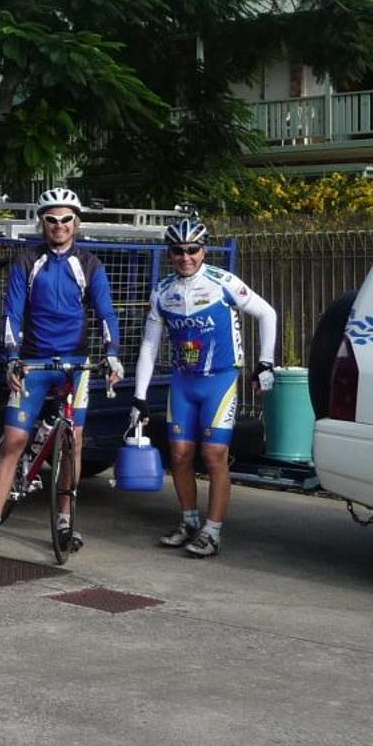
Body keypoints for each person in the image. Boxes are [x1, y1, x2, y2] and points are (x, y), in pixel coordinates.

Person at [0, 188, 123, 555]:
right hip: (34, 363)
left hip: (74, 363)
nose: (59, 226)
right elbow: (13, 313)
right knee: (15, 440)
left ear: (76, 223)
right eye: (51, 220)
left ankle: (66, 519)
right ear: (42, 223)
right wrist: (12, 357)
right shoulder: (27, 261)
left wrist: (113, 355)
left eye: (66, 219)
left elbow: (106, 313)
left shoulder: (89, 264)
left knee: (73, 442)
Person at [131, 217, 277, 559]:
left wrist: (266, 361)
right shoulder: (162, 292)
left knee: (213, 456)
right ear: (170, 253)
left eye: (192, 250)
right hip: (183, 381)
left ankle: (212, 530)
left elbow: (267, 313)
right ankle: (189, 521)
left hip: (220, 380)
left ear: (204, 250)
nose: (186, 257)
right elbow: (149, 347)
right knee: (180, 454)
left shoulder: (222, 281)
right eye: (178, 251)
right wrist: (139, 396)